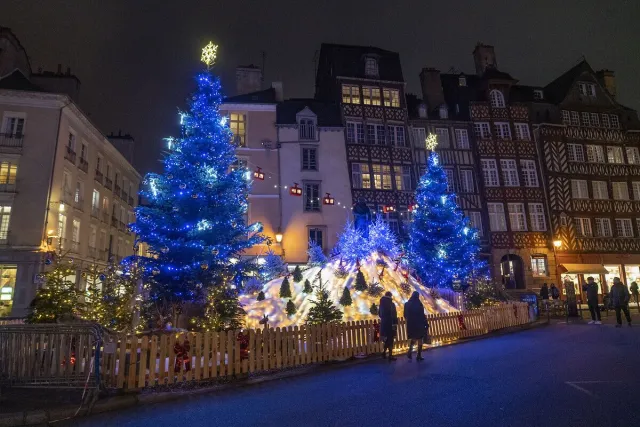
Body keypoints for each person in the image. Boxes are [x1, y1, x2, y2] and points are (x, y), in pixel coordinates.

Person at [404, 291, 427, 361]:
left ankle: (410, 351)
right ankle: (418, 355)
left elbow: (405, 315)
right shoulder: (419, 304)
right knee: (420, 339)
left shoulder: (407, 304)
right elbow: (422, 315)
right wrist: (425, 323)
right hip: (419, 324)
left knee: (413, 338)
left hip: (411, 324)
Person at [379, 291, 398, 361]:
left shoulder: (381, 304)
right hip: (391, 324)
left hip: (384, 324)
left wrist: (384, 319)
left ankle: (384, 353)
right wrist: (395, 324)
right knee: (390, 339)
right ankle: (390, 355)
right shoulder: (391, 304)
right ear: (390, 296)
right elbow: (394, 315)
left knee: (386, 339)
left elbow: (380, 314)